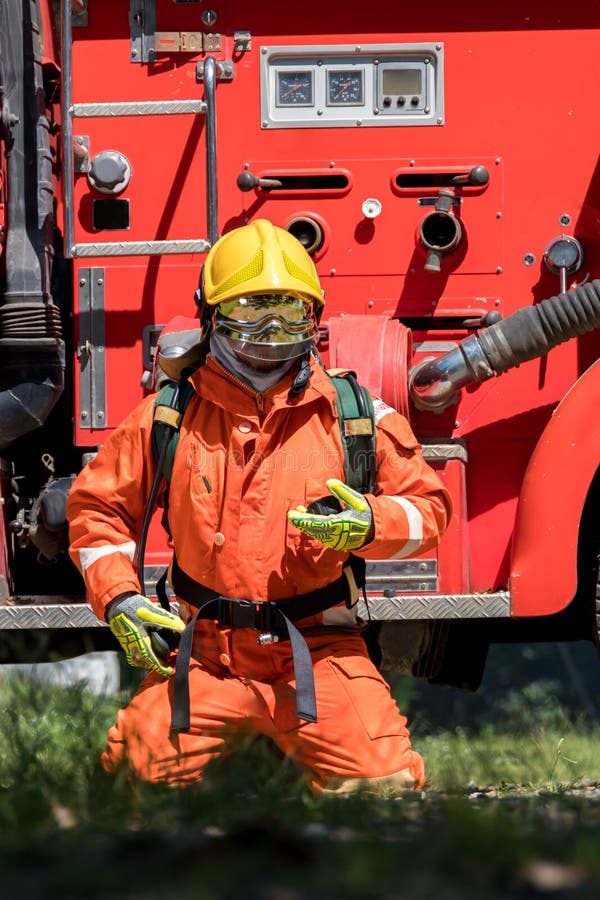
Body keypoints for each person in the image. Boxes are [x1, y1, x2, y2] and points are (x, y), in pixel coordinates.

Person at [67, 219, 452, 794]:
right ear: (213, 315)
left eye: (289, 313)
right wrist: (121, 598)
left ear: (313, 318)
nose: (271, 331)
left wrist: (373, 523)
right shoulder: (167, 416)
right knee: (127, 792)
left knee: (388, 787)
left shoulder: (356, 417)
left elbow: (431, 510)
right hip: (205, 659)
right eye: (252, 311)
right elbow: (98, 510)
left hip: (319, 654)